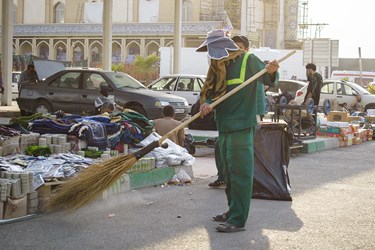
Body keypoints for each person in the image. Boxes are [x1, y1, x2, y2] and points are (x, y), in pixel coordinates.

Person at [197, 29, 279, 233]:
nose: (210, 54)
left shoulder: (248, 59)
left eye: (211, 49)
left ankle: (237, 219)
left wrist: (272, 70)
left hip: (242, 125)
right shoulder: (219, 67)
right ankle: (232, 210)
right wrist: (206, 104)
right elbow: (211, 93)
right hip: (224, 125)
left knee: (240, 174)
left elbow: (270, 80)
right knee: (228, 172)